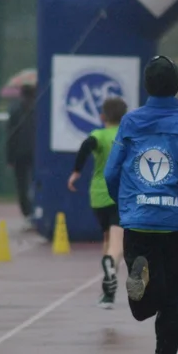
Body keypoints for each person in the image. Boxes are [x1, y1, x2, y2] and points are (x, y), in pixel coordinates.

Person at [104, 56, 178, 354]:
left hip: (138, 219)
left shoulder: (130, 122)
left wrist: (125, 204)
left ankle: (139, 279)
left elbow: (111, 173)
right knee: (172, 301)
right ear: (177, 86)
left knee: (143, 306)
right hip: (177, 222)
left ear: (146, 86)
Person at [68, 96, 128, 308]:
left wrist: (76, 172)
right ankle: (111, 266)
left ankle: (107, 293)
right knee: (117, 245)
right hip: (122, 195)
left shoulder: (99, 135)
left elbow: (86, 145)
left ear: (102, 116)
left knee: (107, 238)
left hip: (99, 196)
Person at [6, 84, 36, 224]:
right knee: (36, 182)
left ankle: (27, 214)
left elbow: (10, 136)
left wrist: (10, 158)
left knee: (21, 185)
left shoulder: (14, 111)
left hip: (19, 153)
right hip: (37, 153)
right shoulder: (40, 109)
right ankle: (37, 210)